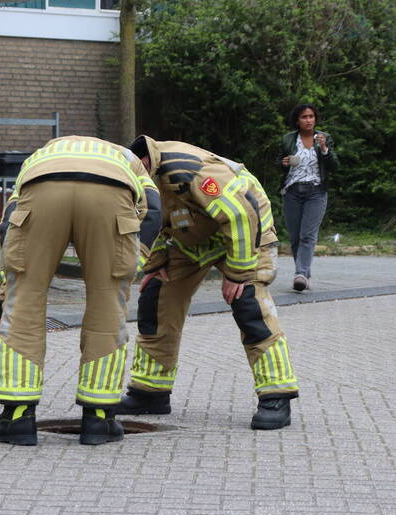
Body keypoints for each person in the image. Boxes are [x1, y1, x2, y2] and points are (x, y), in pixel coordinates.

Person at [0, 136, 162, 446]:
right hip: (112, 196)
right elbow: (154, 211)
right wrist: (130, 265)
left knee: (24, 301)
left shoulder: (42, 154)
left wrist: (4, 295)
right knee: (107, 304)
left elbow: (8, 225)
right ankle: (99, 420)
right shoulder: (129, 160)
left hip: (42, 189)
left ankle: (17, 418)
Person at [116, 136, 298, 430]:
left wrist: (237, 273)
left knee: (249, 305)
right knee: (156, 297)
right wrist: (157, 259)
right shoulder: (133, 180)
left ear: (143, 164)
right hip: (190, 238)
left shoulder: (188, 169)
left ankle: (276, 395)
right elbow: (145, 222)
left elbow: (240, 215)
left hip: (245, 236)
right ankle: (149, 392)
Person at [279, 103, 339, 292]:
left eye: (311, 116)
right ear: (297, 120)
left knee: (307, 235)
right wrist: (283, 162)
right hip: (292, 191)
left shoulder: (324, 138)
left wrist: (324, 149)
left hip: (315, 191)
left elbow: (335, 166)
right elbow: (277, 164)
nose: (308, 120)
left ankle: (301, 274)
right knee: (295, 237)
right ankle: (304, 274)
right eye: (304, 117)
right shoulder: (288, 139)